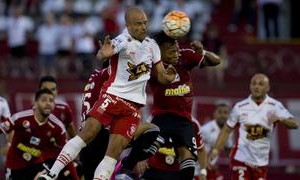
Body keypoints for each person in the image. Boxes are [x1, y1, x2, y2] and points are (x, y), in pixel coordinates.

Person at [37, 6, 176, 180]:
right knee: (85, 135)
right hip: (112, 97)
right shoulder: (122, 40)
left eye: (145, 23)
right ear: (128, 26)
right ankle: (51, 174)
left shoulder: (153, 46)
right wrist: (104, 53)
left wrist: (169, 77)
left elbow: (162, 76)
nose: (143, 27)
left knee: (112, 154)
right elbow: (104, 53)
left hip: (132, 107)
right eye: (138, 24)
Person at [137, 31, 221, 180]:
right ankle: (125, 167)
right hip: (162, 115)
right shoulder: (152, 64)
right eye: (171, 52)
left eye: (176, 49)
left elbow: (216, 61)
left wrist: (202, 52)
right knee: (148, 149)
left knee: (187, 155)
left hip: (183, 118)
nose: (176, 54)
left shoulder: (185, 56)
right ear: (159, 52)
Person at [209, 73, 299, 180]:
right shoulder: (240, 107)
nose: (256, 86)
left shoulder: (275, 106)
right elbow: (226, 130)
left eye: (261, 84)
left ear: (267, 88)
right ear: (250, 86)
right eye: (254, 83)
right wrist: (215, 150)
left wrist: (280, 118)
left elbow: (295, 124)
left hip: (261, 163)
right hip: (240, 159)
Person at [0, 89, 67, 180]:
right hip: (14, 167)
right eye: (44, 100)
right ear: (35, 103)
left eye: (51, 100)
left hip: (36, 166)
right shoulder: (19, 118)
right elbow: (0, 128)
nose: (48, 103)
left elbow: (65, 151)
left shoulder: (58, 127)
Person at [200, 103, 233, 180]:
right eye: (220, 112)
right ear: (214, 114)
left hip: (211, 168)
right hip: (199, 167)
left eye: (225, 113)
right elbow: (194, 148)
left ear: (229, 116)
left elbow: (228, 150)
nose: (222, 115)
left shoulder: (228, 131)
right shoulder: (206, 130)